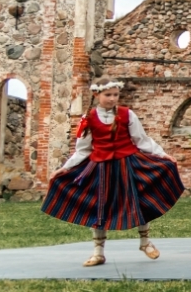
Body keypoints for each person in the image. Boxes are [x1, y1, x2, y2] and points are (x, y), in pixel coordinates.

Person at [43, 79, 183, 267]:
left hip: (128, 165)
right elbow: (83, 149)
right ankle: (98, 252)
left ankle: (145, 242)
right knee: (99, 207)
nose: (112, 99)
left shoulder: (127, 114)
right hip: (101, 168)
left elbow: (142, 140)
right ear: (96, 95)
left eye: (115, 95)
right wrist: (66, 168)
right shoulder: (89, 119)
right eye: (108, 95)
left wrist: (163, 155)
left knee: (139, 201)